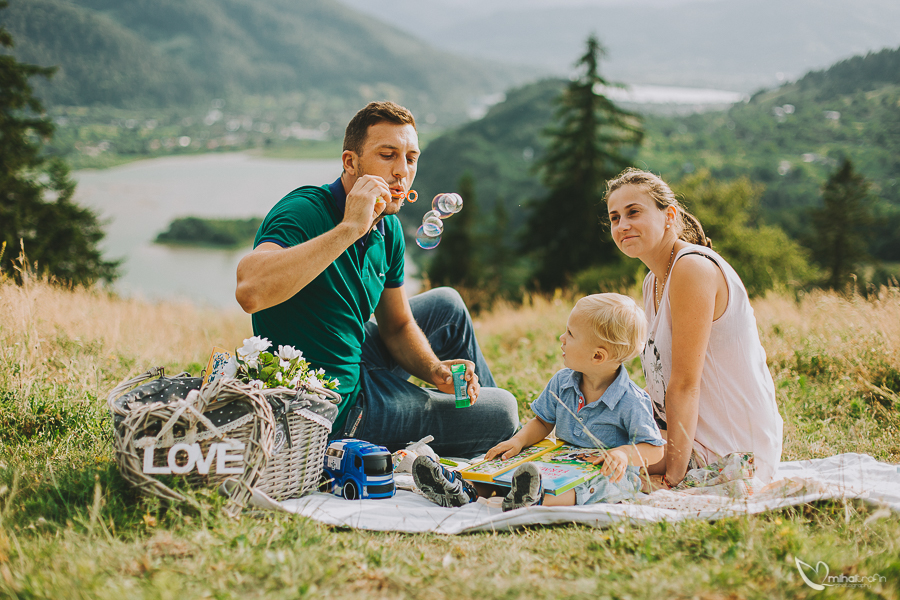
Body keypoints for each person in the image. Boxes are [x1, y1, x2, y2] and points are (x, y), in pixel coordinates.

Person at [234, 101, 518, 457]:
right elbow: (250, 291)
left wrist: (435, 371)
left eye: (410, 158)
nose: (401, 171)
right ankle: (509, 445)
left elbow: (397, 327)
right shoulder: (305, 210)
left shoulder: (389, 229)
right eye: (387, 155)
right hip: (331, 406)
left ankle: (506, 448)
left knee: (447, 304)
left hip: (352, 355)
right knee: (503, 411)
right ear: (350, 162)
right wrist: (350, 228)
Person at [605, 168, 784, 486]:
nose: (623, 225)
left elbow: (685, 384)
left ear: (669, 215)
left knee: (601, 456)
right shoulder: (653, 282)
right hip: (687, 433)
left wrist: (673, 473)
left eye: (633, 212)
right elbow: (661, 382)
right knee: (589, 434)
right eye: (615, 217)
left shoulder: (691, 269)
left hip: (731, 449)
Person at [412, 294, 665, 511]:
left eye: (571, 334)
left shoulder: (631, 400)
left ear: (597, 356)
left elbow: (655, 449)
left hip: (607, 472)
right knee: (514, 466)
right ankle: (464, 488)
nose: (561, 338)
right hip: (561, 462)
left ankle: (535, 499)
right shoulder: (562, 382)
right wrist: (518, 441)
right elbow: (543, 422)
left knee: (599, 485)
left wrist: (622, 454)